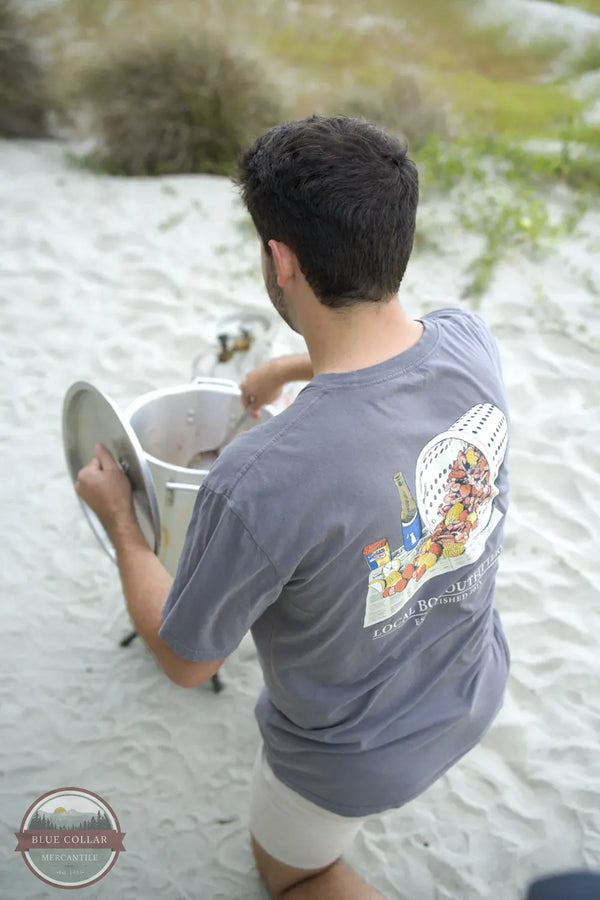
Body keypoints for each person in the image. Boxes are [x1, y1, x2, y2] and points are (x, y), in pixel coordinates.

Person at [75, 116, 510, 899]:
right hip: (472, 686)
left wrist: (121, 524)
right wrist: (288, 365)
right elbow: (391, 347)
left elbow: (186, 662)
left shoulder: (259, 476)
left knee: (292, 876)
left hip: (349, 760)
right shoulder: (470, 340)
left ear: (281, 260)